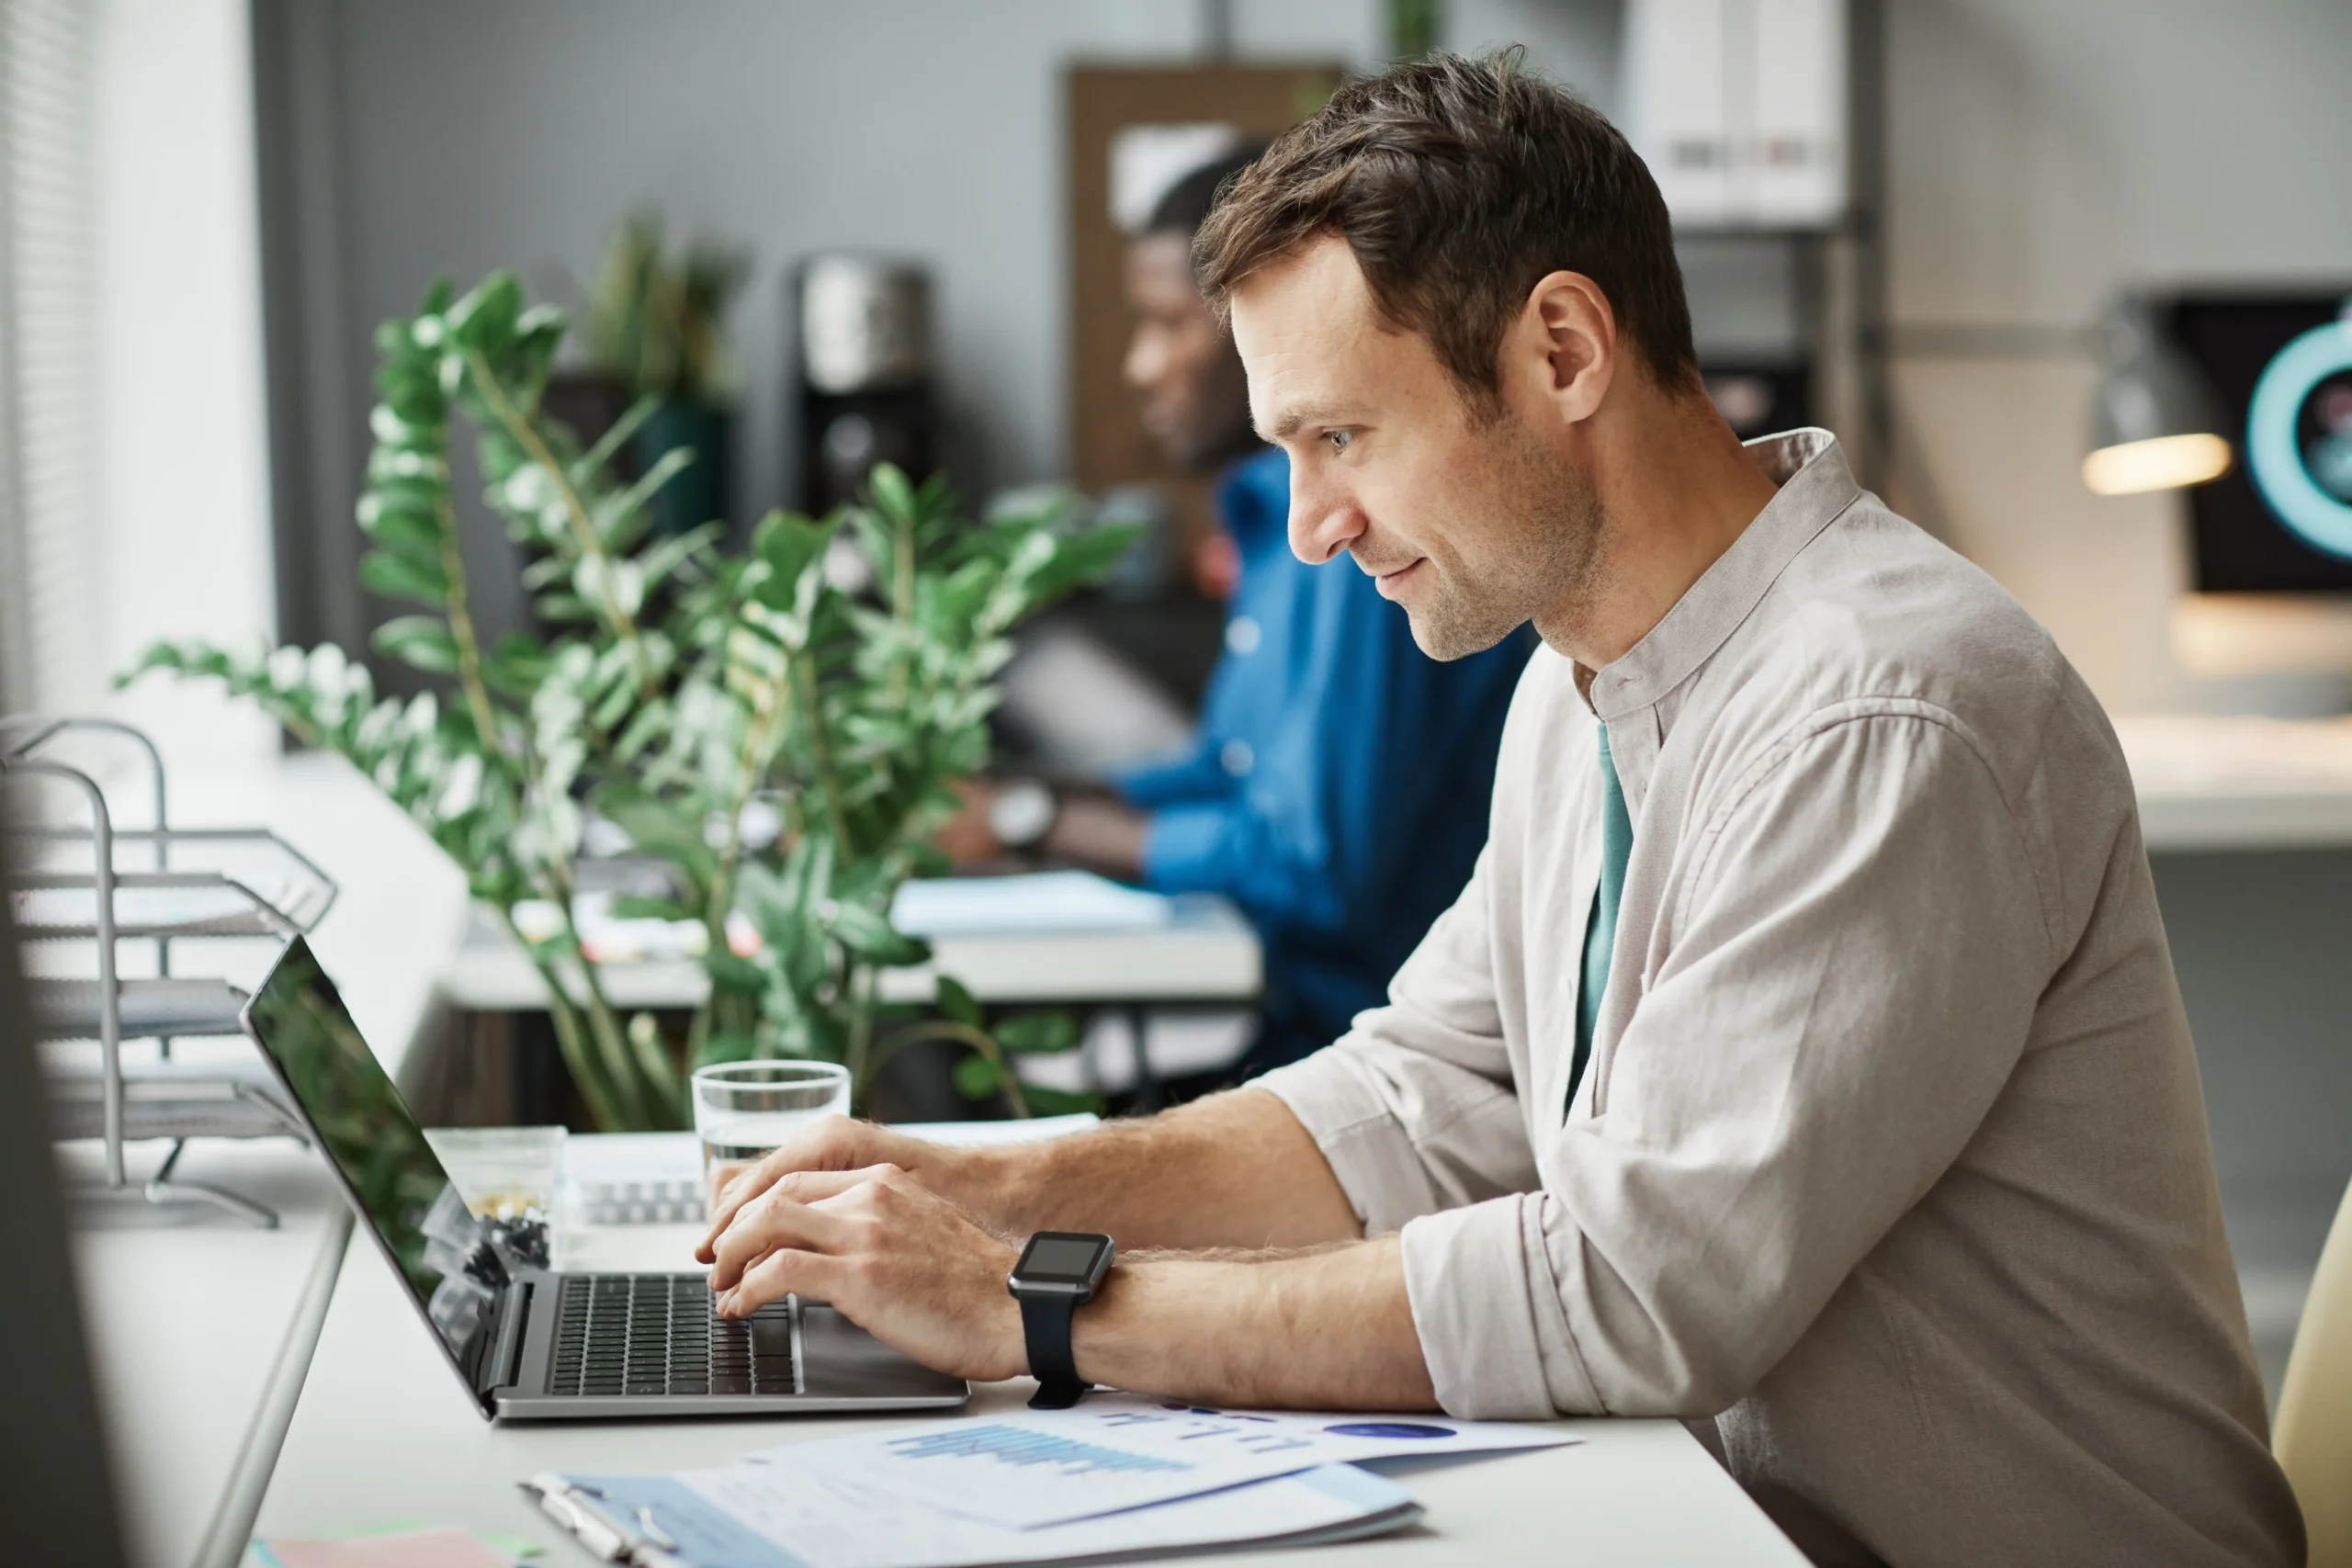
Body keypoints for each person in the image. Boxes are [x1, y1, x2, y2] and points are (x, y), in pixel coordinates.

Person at [700, 53, 2302, 1568]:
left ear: (1561, 351)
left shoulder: (1880, 709)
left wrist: (1035, 1304)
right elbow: (1415, 1103)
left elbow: (1631, 1291)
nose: (1313, 528)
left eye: (1343, 437)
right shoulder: (1580, 677)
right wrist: (981, 1189)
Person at [946, 148, 1532, 1075]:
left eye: (1168, 325)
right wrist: (1037, 802)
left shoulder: (1360, 545)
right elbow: (1231, 770)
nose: (1142, 367)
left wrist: (1029, 820)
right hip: (1295, 1028)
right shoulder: (1273, 527)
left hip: (1369, 1055)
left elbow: (1311, 865)